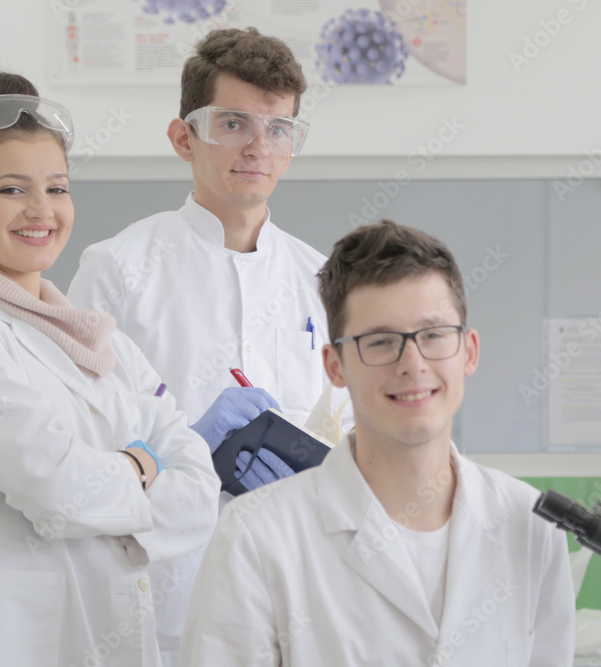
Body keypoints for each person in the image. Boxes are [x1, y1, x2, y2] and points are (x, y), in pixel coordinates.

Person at [0, 72, 220, 666]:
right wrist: (140, 463)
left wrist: (107, 487)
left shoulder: (104, 343)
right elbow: (59, 490)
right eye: (10, 190)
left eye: (57, 187)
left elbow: (200, 494)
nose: (40, 210)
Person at [66, 28, 349, 661]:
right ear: (182, 137)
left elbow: (355, 428)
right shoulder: (117, 270)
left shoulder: (322, 280)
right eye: (233, 123)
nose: (258, 146)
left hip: (298, 598)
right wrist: (185, 445)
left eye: (279, 129)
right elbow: (74, 448)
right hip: (166, 601)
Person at [179, 220, 576, 666]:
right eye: (380, 342)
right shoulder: (256, 536)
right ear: (335, 366)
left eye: (432, 335)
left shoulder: (532, 526)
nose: (412, 363)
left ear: (469, 351)